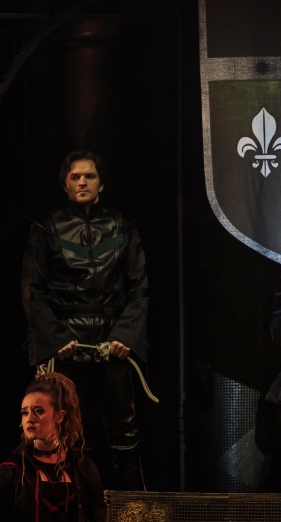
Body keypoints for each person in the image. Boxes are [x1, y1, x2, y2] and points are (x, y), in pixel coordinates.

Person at [21, 150, 150, 491]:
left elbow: (139, 289)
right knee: (56, 431)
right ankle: (57, 505)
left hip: (111, 339)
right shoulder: (47, 228)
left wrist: (125, 336)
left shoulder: (121, 227)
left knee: (125, 433)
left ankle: (134, 508)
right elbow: (33, 291)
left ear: (101, 184)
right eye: (75, 177)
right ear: (65, 185)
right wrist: (55, 339)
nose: (82, 182)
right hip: (64, 341)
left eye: (89, 176)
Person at [0, 371, 106, 521]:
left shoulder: (82, 466)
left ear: (59, 416)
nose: (29, 419)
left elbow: (98, 515)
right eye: (24, 413)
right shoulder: (11, 470)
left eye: (38, 411)